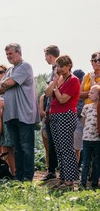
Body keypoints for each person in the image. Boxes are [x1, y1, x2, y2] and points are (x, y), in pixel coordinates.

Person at [0, 43, 39, 182]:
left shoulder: (25, 66)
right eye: (7, 54)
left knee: (26, 147)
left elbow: (7, 84)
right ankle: (18, 176)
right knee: (16, 148)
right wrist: (4, 84)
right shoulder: (9, 70)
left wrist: (4, 84)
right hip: (10, 114)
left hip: (24, 114)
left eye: (11, 53)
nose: (8, 56)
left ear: (19, 52)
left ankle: (27, 177)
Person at [45, 55, 80, 188]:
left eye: (62, 66)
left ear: (69, 66)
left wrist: (56, 90)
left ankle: (70, 180)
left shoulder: (73, 80)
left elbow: (62, 99)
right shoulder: (58, 79)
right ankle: (63, 178)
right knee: (58, 148)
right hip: (54, 115)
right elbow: (47, 93)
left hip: (66, 115)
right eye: (57, 66)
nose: (59, 69)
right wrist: (55, 82)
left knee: (66, 148)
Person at [42, 44, 60, 181]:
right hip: (50, 110)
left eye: (45, 56)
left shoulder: (57, 70)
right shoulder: (53, 70)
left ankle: (53, 170)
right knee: (51, 142)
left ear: (50, 55)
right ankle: (52, 169)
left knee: (54, 143)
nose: (45, 59)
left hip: (55, 110)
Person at [80, 85, 99, 188]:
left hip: (97, 140)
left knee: (96, 162)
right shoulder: (86, 107)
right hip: (86, 139)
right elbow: (83, 121)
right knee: (85, 161)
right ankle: (83, 183)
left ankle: (95, 183)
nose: (89, 94)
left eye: (92, 93)